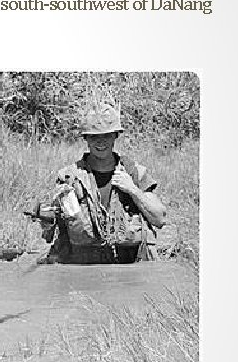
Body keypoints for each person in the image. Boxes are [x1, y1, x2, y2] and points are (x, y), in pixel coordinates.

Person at [39, 102, 167, 264]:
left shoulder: (134, 173)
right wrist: (47, 217)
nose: (101, 142)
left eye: (106, 135)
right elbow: (51, 231)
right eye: (94, 137)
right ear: (86, 139)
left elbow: (160, 219)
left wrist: (132, 190)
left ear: (115, 136)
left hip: (129, 267)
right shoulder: (69, 177)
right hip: (83, 267)